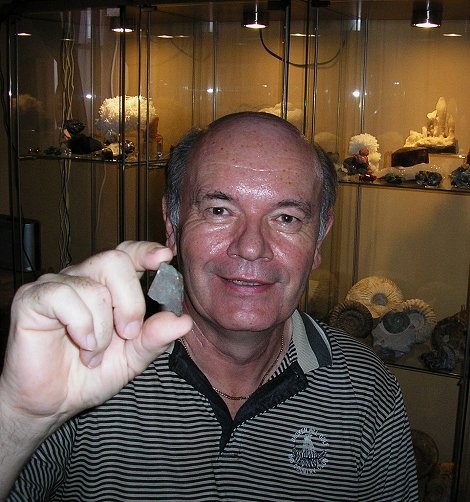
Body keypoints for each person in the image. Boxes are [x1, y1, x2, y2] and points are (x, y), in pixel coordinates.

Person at [0, 112, 418, 500]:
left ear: (319, 239)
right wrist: (19, 418)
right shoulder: (87, 361)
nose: (251, 247)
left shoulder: (366, 390)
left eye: (287, 218)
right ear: (172, 223)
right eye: (219, 210)